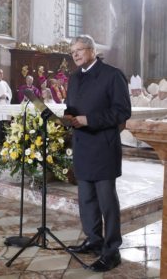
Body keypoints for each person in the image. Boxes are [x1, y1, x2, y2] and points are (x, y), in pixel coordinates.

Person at [64, 35, 131, 272]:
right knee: (86, 200)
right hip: (82, 146)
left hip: (103, 146)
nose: (75, 55)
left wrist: (89, 119)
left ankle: (112, 250)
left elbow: (122, 112)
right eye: (72, 52)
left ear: (92, 50)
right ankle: (94, 240)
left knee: (107, 202)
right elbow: (71, 107)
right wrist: (68, 117)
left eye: (79, 50)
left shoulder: (112, 75)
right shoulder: (73, 79)